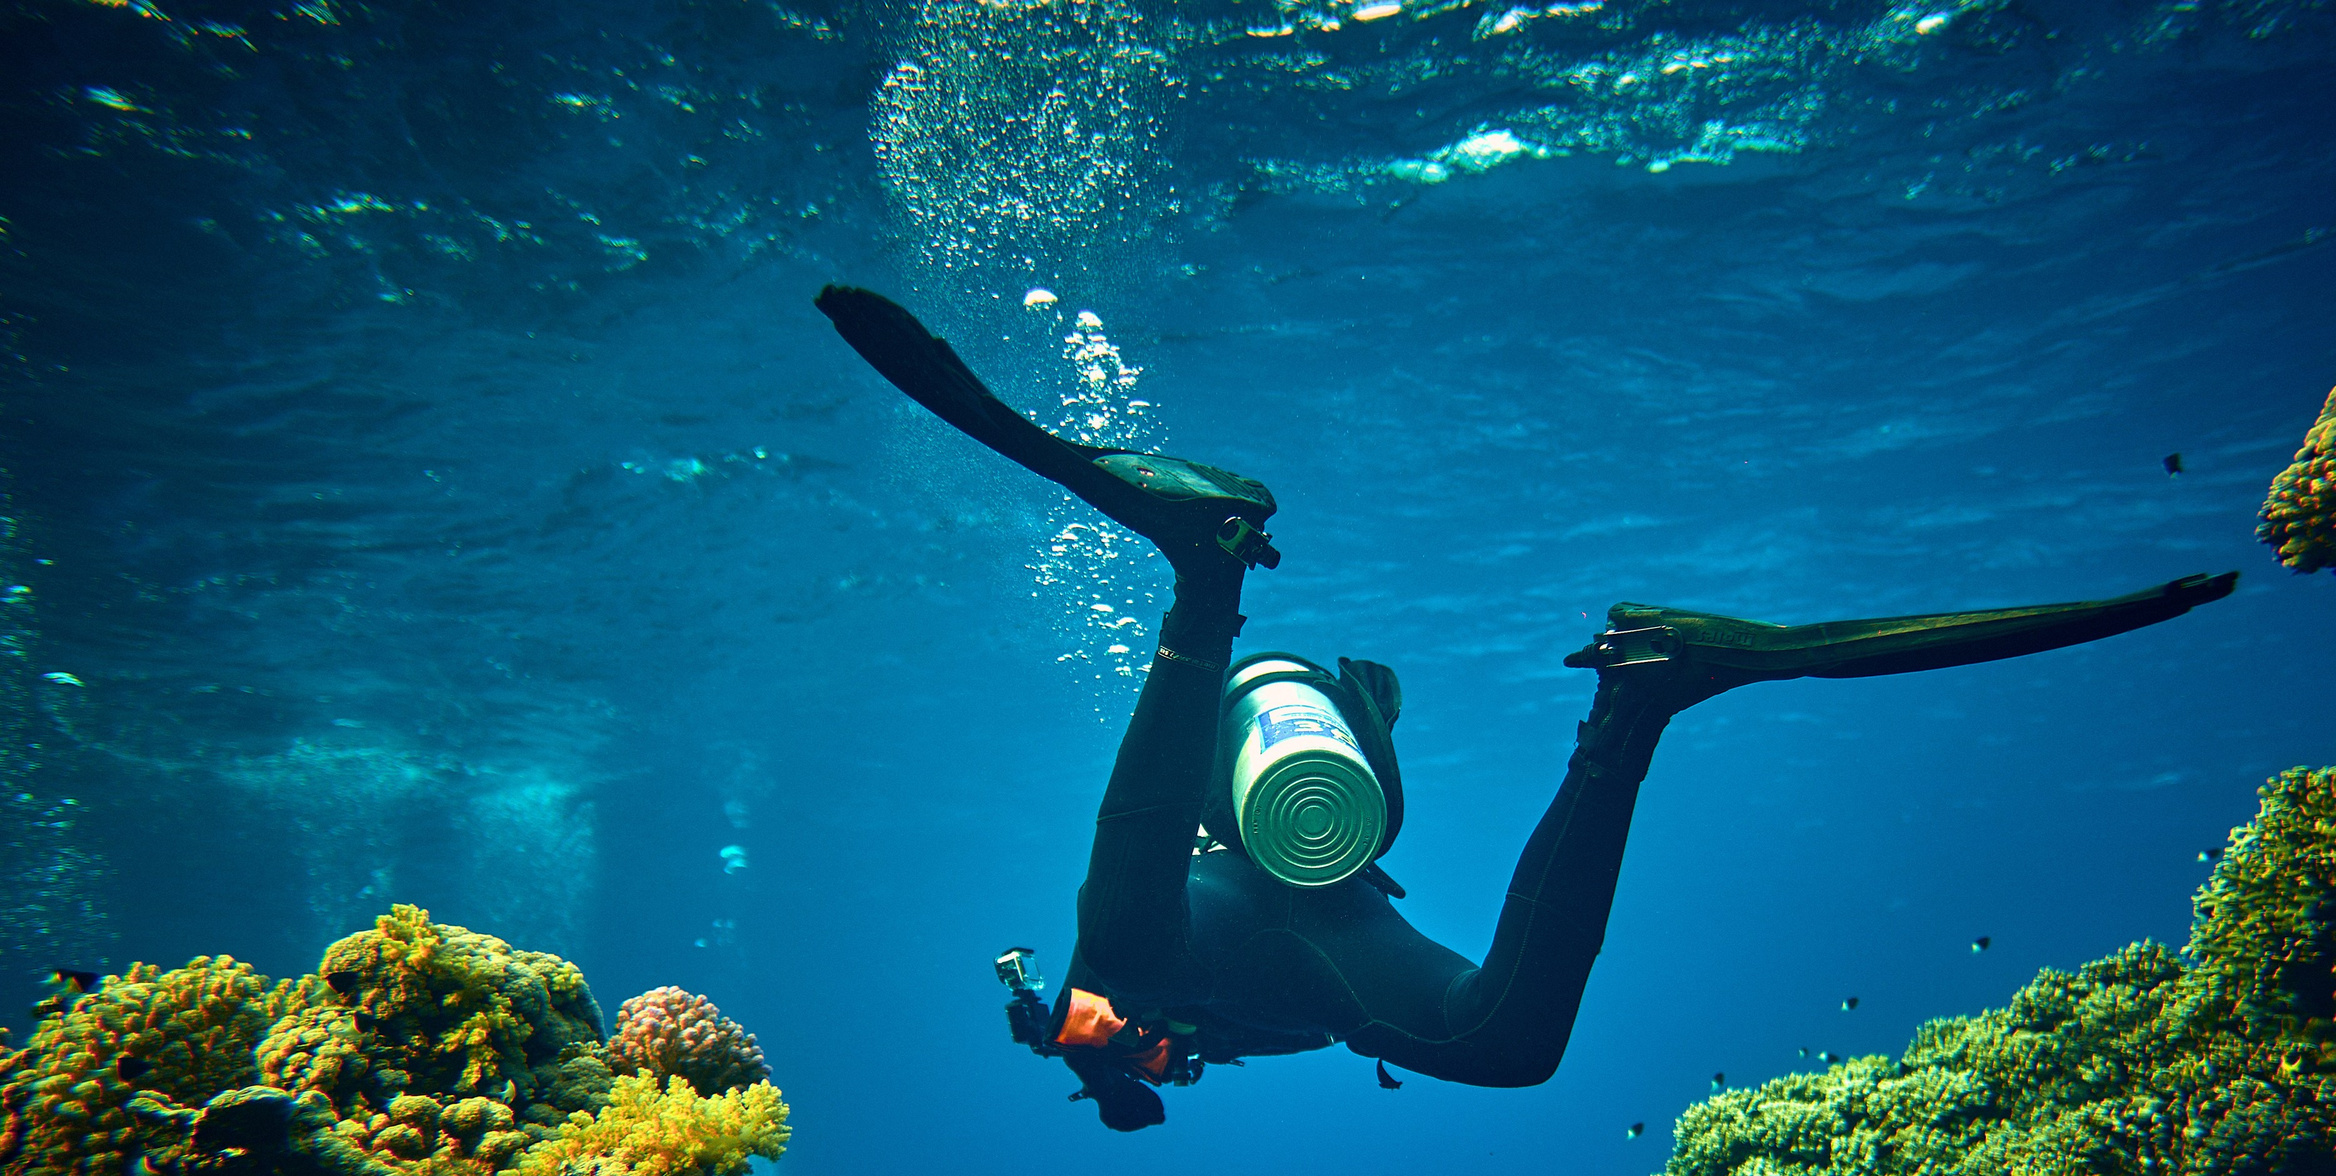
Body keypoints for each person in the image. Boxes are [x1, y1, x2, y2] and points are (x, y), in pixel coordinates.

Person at [817, 286, 2236, 1130]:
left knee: (1123, 946)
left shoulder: (1123, 997)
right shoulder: (1218, 1027)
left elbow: (1083, 998)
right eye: (1157, 1074)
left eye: (1143, 1065)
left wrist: (1089, 1039)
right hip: (1332, 919)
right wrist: (1128, 1063)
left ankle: (1206, 574)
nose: (1157, 1063)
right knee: (1507, 1049)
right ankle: (1643, 699)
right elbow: (1128, 1027)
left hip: (1236, 882)